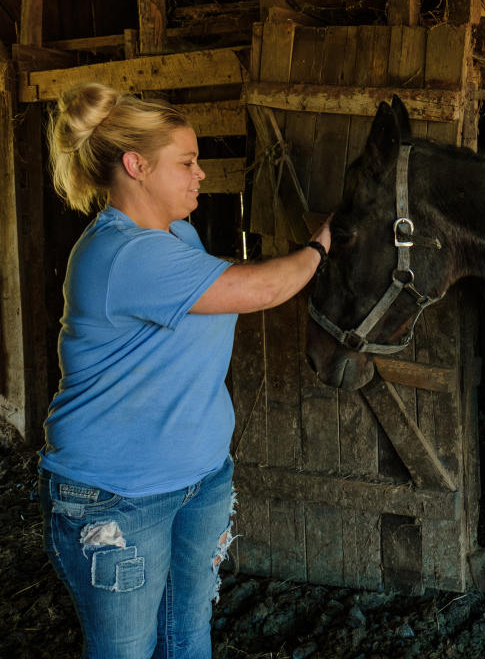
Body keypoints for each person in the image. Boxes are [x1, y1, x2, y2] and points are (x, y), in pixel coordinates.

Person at [37, 81, 330, 659]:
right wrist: (322, 245)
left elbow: (219, 283)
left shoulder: (176, 237)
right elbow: (265, 287)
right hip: (116, 497)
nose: (201, 174)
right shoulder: (124, 253)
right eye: (188, 162)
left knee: (187, 634)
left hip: (199, 479)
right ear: (136, 165)